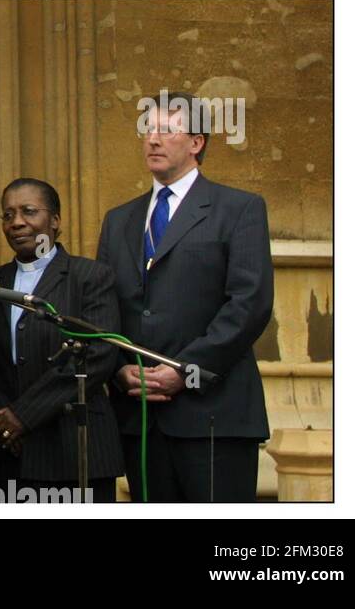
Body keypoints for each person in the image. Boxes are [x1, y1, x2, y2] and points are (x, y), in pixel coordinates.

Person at [96, 91, 273, 502]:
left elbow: (249, 304)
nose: (153, 139)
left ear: (197, 143)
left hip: (214, 417)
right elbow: (104, 307)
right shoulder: (119, 219)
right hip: (141, 419)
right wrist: (118, 371)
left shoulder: (239, 209)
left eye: (167, 130)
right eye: (148, 130)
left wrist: (186, 370)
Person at [0, 178, 125, 503]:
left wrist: (23, 416)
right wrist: (0, 416)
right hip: (6, 451)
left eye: (28, 211)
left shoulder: (90, 276)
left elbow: (97, 354)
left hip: (74, 449)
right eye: (8, 214)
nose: (17, 222)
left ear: (55, 221)